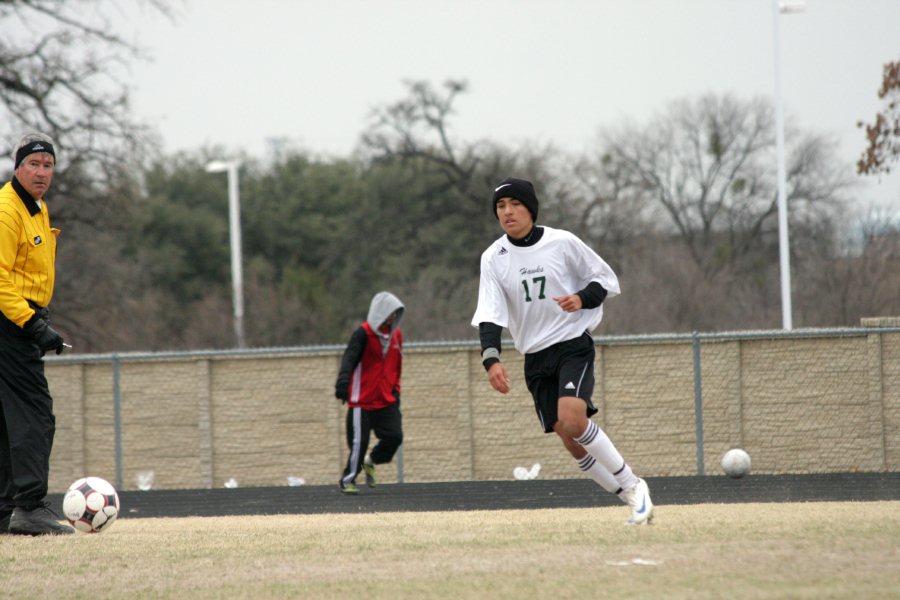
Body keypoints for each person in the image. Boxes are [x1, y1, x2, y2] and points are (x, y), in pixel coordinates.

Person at [471, 176, 654, 525]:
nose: (507, 212)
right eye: (500, 206)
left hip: (571, 344)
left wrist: (581, 298)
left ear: (531, 209)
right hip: (535, 357)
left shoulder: (562, 242)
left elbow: (605, 280)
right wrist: (491, 358)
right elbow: (490, 314)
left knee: (574, 419)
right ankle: (630, 500)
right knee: (570, 440)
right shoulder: (493, 258)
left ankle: (635, 485)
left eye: (515, 204)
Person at [0, 132, 73, 535]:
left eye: (48, 165)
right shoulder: (7, 210)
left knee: (6, 417)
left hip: (18, 317)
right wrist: (33, 324)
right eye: (33, 164)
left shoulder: (36, 208)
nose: (41, 172)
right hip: (10, 321)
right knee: (34, 415)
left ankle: (5, 509)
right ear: (18, 166)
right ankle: (29, 506)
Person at [334, 291, 405, 494]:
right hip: (361, 401)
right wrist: (342, 385)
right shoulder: (362, 334)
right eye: (389, 312)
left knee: (395, 437)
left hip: (386, 399)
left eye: (396, 313)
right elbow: (349, 360)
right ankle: (348, 480)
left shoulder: (396, 335)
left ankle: (371, 461)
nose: (392, 316)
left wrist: (396, 391)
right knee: (359, 443)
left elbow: (396, 366)